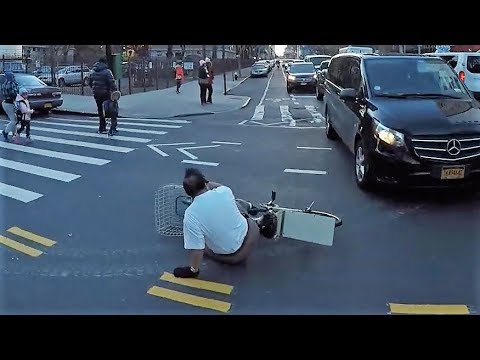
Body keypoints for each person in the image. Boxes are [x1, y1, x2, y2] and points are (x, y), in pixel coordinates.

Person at [173, 168, 277, 278]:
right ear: (205, 183)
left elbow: (197, 249)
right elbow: (216, 185)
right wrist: (205, 183)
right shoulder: (224, 191)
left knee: (204, 246)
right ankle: (259, 222)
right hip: (251, 233)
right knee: (237, 205)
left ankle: (257, 221)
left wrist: (193, 270)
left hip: (235, 256)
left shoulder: (190, 215)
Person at [89, 58, 117, 134]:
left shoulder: (93, 71)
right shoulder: (107, 72)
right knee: (112, 110)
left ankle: (102, 127)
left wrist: (95, 89)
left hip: (97, 94)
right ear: (105, 63)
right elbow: (112, 82)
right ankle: (113, 128)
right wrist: (115, 91)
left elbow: (90, 83)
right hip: (106, 93)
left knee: (100, 111)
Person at [1, 72, 19, 141]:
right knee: (13, 120)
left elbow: (3, 93)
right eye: (13, 76)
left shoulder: (4, 84)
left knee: (14, 119)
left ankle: (14, 133)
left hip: (6, 102)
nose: (14, 77)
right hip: (9, 103)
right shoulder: (11, 83)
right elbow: (15, 93)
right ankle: (5, 132)